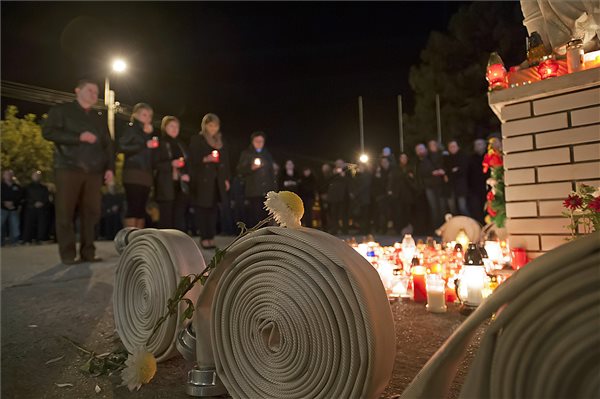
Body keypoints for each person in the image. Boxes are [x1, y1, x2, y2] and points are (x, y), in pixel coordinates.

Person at [42, 79, 114, 264]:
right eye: (90, 90)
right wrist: (77, 137)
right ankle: (67, 254)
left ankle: (88, 252)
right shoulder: (62, 111)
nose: (94, 94)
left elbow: (108, 145)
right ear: (77, 91)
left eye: (96, 91)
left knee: (91, 212)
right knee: (65, 212)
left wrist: (110, 168)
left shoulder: (99, 116)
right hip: (68, 167)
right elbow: (48, 132)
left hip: (94, 171)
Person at [190, 113, 231, 249]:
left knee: (213, 209)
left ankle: (211, 237)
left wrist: (226, 179)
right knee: (203, 209)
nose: (213, 128)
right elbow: (193, 159)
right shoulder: (198, 139)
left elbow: (225, 161)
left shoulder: (220, 141)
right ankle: (204, 237)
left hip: (216, 181)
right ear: (205, 125)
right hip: (203, 181)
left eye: (216, 125)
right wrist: (206, 159)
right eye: (210, 125)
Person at [119, 103, 157, 229]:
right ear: (135, 115)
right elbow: (122, 146)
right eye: (144, 114)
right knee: (133, 207)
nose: (147, 118)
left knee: (142, 209)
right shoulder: (131, 128)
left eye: (149, 115)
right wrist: (145, 144)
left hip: (146, 174)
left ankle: (139, 240)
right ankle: (130, 239)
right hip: (133, 172)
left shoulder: (148, 132)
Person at [154, 116, 190, 231]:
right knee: (166, 217)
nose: (175, 129)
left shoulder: (181, 145)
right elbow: (154, 163)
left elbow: (188, 162)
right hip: (165, 184)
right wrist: (171, 164)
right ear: (165, 127)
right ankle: (164, 245)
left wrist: (186, 174)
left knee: (179, 216)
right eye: (171, 126)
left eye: (177, 126)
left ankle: (178, 244)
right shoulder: (160, 143)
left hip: (180, 185)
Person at [237, 131, 275, 228]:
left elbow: (272, 173)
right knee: (254, 216)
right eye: (256, 141)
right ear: (252, 142)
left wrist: (273, 190)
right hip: (253, 191)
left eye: (261, 141)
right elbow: (240, 170)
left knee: (265, 216)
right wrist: (251, 168)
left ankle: (265, 238)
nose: (259, 143)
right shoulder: (246, 154)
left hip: (266, 192)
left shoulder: (267, 155)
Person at [415, 143, 445, 233]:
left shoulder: (433, 157)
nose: (421, 151)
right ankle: (436, 229)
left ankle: (444, 228)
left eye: (422, 148)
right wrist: (431, 173)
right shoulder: (418, 162)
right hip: (429, 186)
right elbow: (421, 173)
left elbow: (441, 164)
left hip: (439, 185)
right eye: (418, 150)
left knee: (442, 207)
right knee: (434, 208)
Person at [389, 153, 417, 234]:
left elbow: (413, 180)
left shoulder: (410, 168)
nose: (403, 159)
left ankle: (407, 229)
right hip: (398, 194)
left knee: (407, 212)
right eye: (402, 157)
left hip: (408, 194)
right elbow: (392, 179)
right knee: (398, 212)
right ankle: (399, 229)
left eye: (405, 157)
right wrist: (390, 190)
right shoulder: (395, 168)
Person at [22, 170, 50, 244]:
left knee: (42, 224)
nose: (37, 176)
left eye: (38, 175)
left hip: (41, 208)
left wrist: (42, 203)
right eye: (35, 175)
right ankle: (27, 239)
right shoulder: (27, 187)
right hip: (30, 208)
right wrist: (33, 203)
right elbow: (25, 197)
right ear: (32, 176)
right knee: (29, 224)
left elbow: (46, 197)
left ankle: (40, 238)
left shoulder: (44, 187)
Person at [467, 138, 491, 224]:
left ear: (485, 145)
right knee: (477, 210)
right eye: (476, 145)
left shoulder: (489, 156)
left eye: (480, 144)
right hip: (475, 189)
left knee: (488, 209)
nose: (478, 146)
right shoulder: (471, 159)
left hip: (488, 189)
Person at [445, 140, 470, 216]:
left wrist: (453, 172)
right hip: (450, 187)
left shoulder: (463, 157)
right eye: (450, 147)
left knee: (463, 208)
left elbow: (463, 171)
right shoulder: (447, 159)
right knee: (452, 209)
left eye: (454, 146)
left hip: (460, 186)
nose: (452, 148)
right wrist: (452, 171)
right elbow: (446, 171)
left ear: (458, 147)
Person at [327, 159, 350, 235]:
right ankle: (335, 229)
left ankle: (345, 229)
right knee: (334, 214)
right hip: (334, 196)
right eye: (338, 163)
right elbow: (328, 180)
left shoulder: (347, 172)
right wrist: (334, 173)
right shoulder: (332, 172)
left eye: (341, 163)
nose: (339, 165)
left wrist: (343, 175)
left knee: (344, 214)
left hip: (344, 197)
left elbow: (350, 181)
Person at [1, 169, 23, 245]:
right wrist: (4, 202)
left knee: (15, 225)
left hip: (14, 209)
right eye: (7, 174)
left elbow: (20, 197)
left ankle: (15, 241)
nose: (9, 176)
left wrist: (14, 203)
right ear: (3, 176)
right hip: (2, 209)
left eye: (10, 174)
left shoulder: (17, 187)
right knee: (1, 225)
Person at [373, 157, 393, 233]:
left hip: (390, 194)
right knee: (382, 213)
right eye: (382, 162)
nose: (384, 163)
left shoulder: (391, 171)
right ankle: (382, 229)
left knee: (387, 213)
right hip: (380, 195)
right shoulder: (378, 172)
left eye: (385, 162)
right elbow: (376, 184)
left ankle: (386, 228)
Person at [352, 162, 372, 235]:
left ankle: (365, 230)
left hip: (365, 198)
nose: (359, 168)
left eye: (360, 166)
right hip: (361, 199)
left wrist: (355, 193)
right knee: (361, 215)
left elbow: (364, 186)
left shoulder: (367, 175)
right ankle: (362, 229)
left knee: (365, 215)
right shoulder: (359, 175)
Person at [317, 163, 332, 231]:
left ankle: (330, 227)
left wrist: (328, 194)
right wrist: (321, 194)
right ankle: (324, 227)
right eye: (324, 168)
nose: (325, 169)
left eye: (326, 168)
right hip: (322, 197)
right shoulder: (320, 177)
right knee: (323, 213)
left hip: (330, 197)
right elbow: (318, 186)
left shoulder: (331, 176)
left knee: (330, 213)